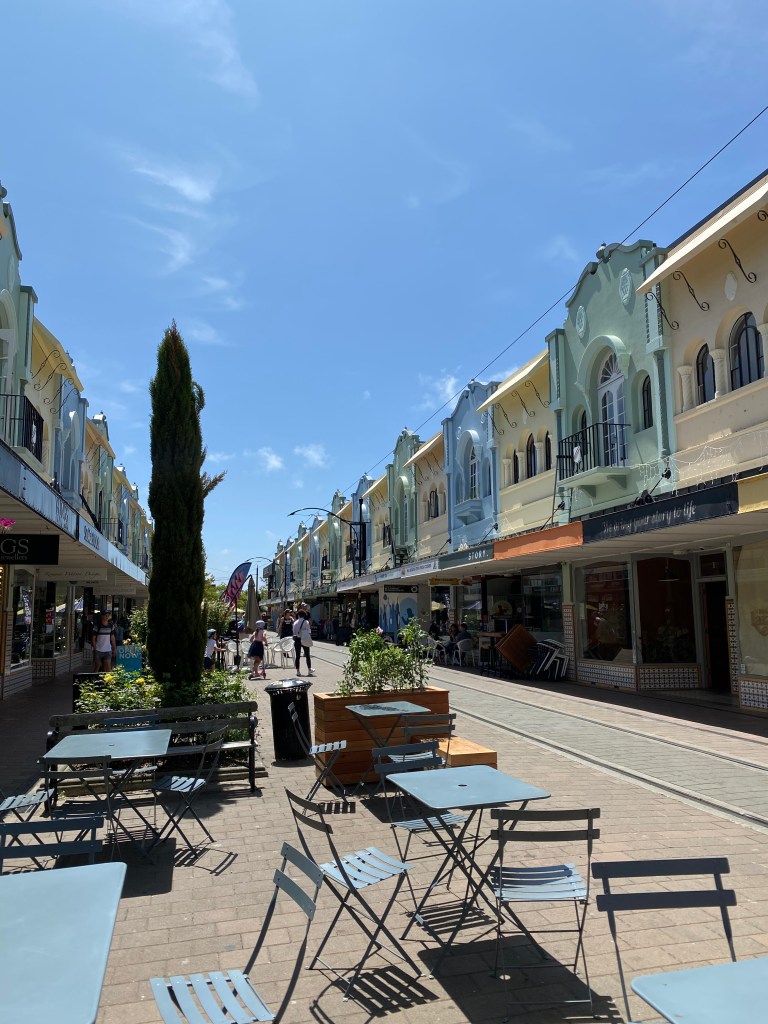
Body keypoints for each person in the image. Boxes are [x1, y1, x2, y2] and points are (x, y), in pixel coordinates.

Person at [292, 609, 315, 676]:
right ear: (304, 615)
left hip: (297, 640)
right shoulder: (306, 622)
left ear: (298, 615)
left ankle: (298, 671)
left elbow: (294, 632)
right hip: (304, 639)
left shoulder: (295, 623)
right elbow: (309, 631)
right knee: (307, 655)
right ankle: (309, 669)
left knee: (297, 656)